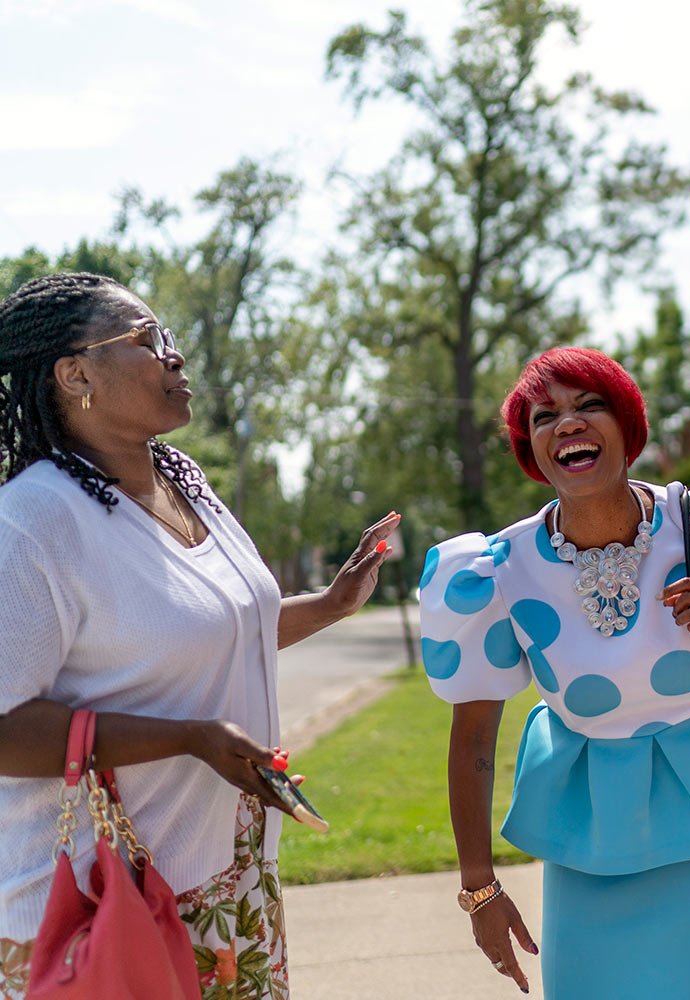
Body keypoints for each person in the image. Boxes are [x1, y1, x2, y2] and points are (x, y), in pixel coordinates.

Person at [0, 272, 398, 998]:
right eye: (149, 342)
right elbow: (5, 729)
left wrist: (333, 604)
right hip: (102, 912)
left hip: (230, 888)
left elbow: (210, 635)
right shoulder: (31, 523)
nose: (174, 357)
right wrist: (189, 737)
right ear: (75, 374)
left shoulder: (187, 484)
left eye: (170, 340)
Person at [419, 346, 690, 998]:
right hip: (589, 829)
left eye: (588, 406)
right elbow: (472, 742)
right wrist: (478, 889)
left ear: (627, 428)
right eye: (545, 417)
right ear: (531, 448)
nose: (566, 424)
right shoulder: (499, 571)